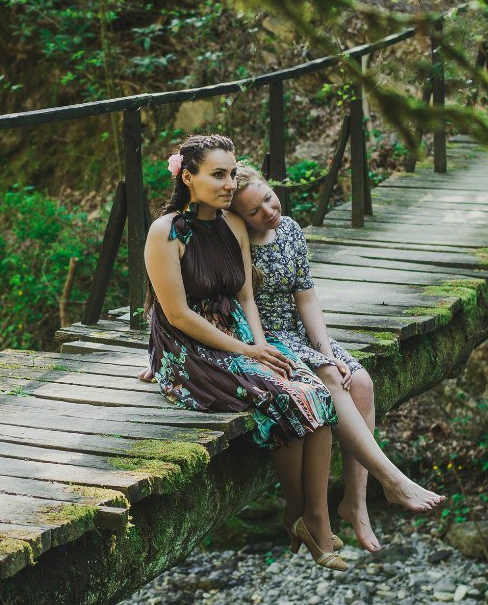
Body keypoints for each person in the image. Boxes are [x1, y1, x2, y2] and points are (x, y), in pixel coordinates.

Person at [142, 134, 346, 571]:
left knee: (317, 394)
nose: (229, 183)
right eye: (218, 175)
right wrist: (245, 350)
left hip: (236, 331)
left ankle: (315, 516)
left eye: (233, 173)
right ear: (188, 177)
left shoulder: (232, 224)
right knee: (283, 399)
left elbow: (247, 298)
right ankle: (300, 515)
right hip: (189, 347)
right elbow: (176, 315)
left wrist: (262, 346)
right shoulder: (166, 233)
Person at [230, 162, 444, 554]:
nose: (268, 211)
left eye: (267, 198)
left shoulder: (290, 230)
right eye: (254, 211)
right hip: (263, 338)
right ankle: (391, 479)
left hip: (297, 332)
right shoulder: (234, 241)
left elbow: (306, 295)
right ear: (238, 216)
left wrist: (327, 351)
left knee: (359, 381)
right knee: (330, 378)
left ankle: (355, 503)